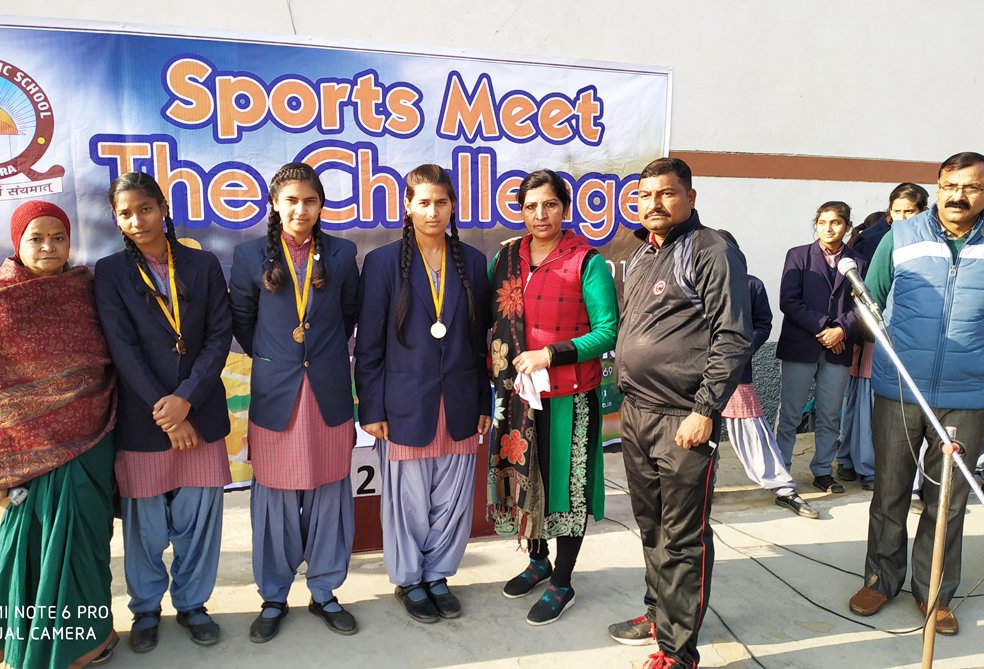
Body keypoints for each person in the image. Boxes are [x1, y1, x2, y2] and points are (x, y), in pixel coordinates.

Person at [610, 158, 752, 668]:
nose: (654, 203)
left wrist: (705, 408)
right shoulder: (641, 252)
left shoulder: (711, 249)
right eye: (645, 195)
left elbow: (733, 335)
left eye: (666, 193)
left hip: (684, 418)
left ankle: (677, 651)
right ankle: (659, 612)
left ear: (690, 197)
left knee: (683, 536)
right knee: (651, 526)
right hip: (638, 413)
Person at [94, 172, 233, 653]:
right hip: (144, 419)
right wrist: (167, 412)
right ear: (116, 219)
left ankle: (194, 605)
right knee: (145, 526)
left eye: (145, 209)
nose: (137, 220)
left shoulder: (202, 263)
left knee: (200, 521)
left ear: (164, 208)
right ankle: (147, 609)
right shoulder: (109, 272)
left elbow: (219, 335)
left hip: (201, 413)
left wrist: (186, 400)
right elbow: (123, 349)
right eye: (126, 213)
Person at [849, 152, 984, 636]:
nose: (958, 195)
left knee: (947, 501)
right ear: (938, 187)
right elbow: (870, 299)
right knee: (888, 492)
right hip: (900, 390)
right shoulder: (901, 236)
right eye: (950, 185)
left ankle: (935, 593)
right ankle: (881, 580)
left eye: (971, 187)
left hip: (968, 395)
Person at [229, 162, 361, 642]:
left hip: (327, 389)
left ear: (321, 205)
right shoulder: (249, 255)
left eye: (310, 201)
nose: (300, 209)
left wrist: (317, 355)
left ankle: (325, 591)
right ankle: (274, 595)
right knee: (275, 498)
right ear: (274, 205)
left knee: (329, 494)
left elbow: (349, 315)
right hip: (276, 391)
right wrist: (277, 355)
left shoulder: (342, 253)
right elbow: (243, 320)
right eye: (291, 200)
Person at [355, 163, 491, 624]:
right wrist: (371, 407)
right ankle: (410, 580)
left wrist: (483, 401)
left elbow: (479, 342)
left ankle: (438, 576)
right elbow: (369, 344)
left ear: (453, 206)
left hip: (459, 400)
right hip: (404, 403)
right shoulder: (382, 263)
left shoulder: (472, 262)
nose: (433, 211)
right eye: (424, 202)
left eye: (442, 202)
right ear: (408, 206)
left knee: (452, 498)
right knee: (408, 501)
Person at [488, 169, 618, 625]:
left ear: (565, 207)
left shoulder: (586, 261)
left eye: (549, 205)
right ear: (520, 211)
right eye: (530, 206)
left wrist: (550, 354)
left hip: (569, 396)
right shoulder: (507, 258)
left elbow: (607, 331)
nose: (540, 214)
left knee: (566, 487)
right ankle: (538, 561)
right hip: (517, 395)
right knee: (528, 477)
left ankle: (563, 580)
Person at [0, 201, 118, 668]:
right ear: (18, 242)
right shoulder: (3, 298)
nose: (48, 246)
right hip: (24, 451)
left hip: (90, 437)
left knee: (85, 547)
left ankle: (90, 641)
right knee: (28, 550)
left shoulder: (85, 288)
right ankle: (26, 643)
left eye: (58, 237)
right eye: (36, 238)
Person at [715, 230, 818, 519]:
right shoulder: (693, 285)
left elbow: (763, 323)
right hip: (694, 373)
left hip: (736, 370)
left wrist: (743, 348)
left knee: (752, 432)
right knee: (697, 435)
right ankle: (699, 488)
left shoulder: (751, 285)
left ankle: (782, 488)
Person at [836, 184, 929, 493]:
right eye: (896, 211)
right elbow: (869, 292)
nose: (902, 218)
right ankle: (863, 465)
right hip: (877, 336)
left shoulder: (929, 243)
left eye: (909, 212)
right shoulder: (881, 240)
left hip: (914, 341)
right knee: (866, 403)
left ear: (923, 212)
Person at [773, 202, 865, 495]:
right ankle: (781, 471)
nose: (829, 228)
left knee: (830, 415)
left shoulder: (858, 262)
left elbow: (862, 305)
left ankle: (823, 470)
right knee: (790, 414)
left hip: (838, 348)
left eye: (836, 222)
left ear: (847, 226)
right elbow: (789, 301)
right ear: (816, 224)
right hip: (801, 345)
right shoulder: (798, 255)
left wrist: (841, 330)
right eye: (823, 222)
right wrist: (825, 326)